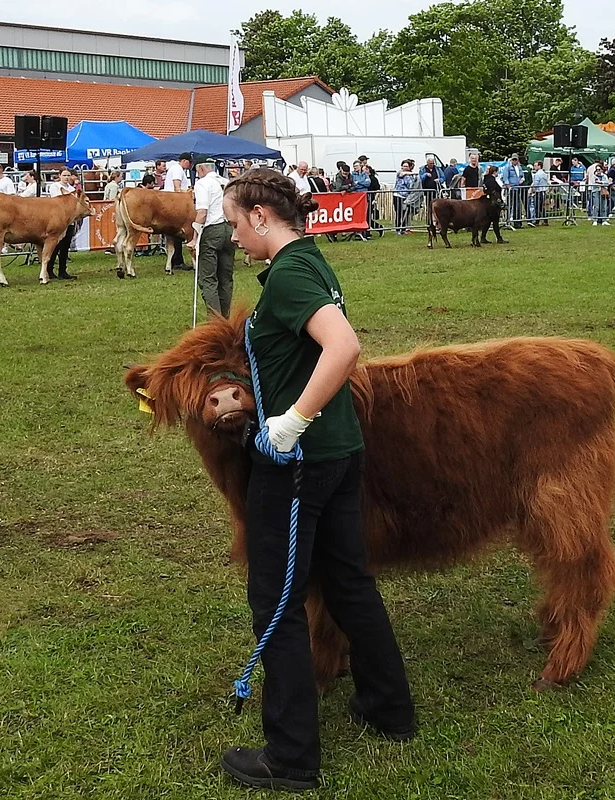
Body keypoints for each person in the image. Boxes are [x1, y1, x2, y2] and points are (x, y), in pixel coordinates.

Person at [211, 167, 414, 792]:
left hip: (300, 463)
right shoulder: (310, 263)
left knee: (276, 600)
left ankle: (291, 755)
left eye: (235, 222)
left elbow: (343, 346)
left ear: (261, 217)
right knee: (350, 581)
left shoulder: (291, 275)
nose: (232, 234)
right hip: (338, 451)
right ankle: (388, 707)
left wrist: (291, 421)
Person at [194, 159, 234, 316]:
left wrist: (194, 238)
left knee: (208, 278)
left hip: (212, 229)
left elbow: (202, 212)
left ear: (201, 169)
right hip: (228, 228)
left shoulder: (203, 183)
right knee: (226, 278)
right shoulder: (227, 183)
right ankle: (226, 318)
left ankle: (215, 320)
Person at [43, 169, 82, 278]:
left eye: (68, 175)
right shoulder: (54, 187)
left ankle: (62, 270)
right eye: (64, 175)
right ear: (59, 176)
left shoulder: (72, 189)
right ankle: (49, 270)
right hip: (58, 220)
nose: (66, 177)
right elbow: (59, 201)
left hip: (69, 221)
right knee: (55, 245)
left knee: (65, 246)